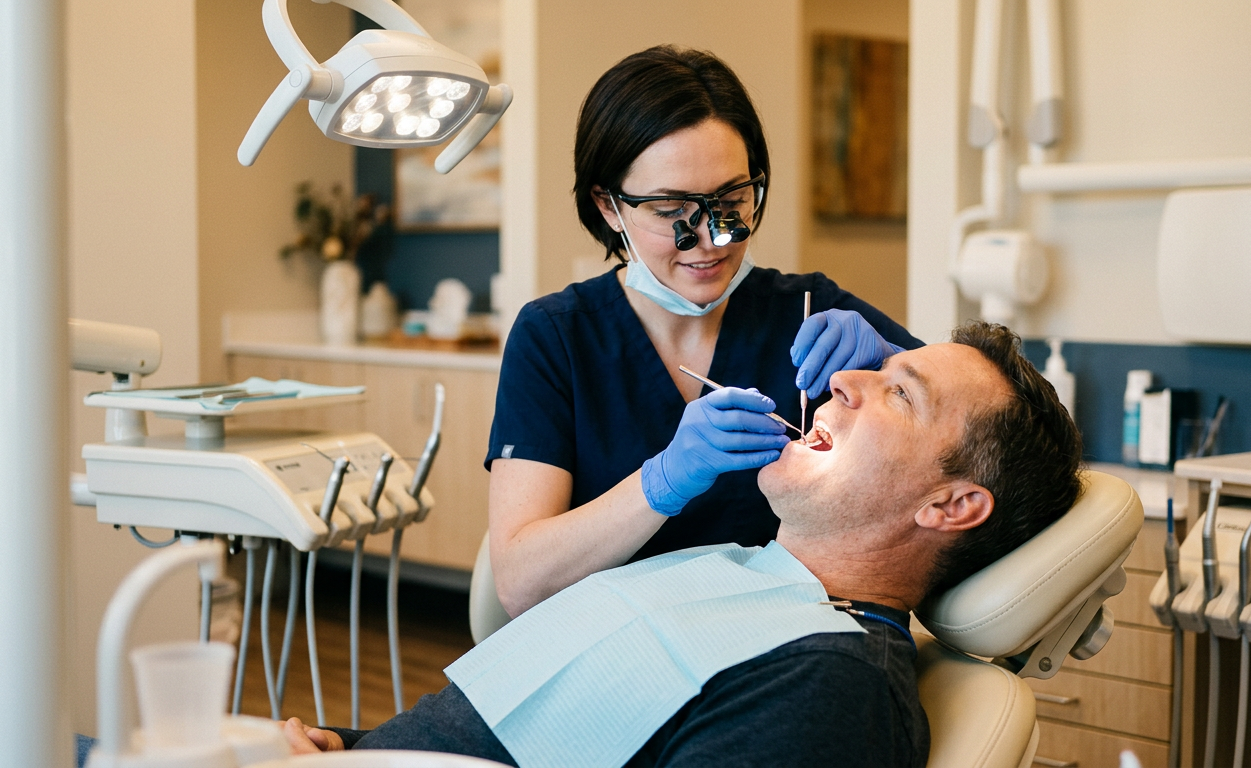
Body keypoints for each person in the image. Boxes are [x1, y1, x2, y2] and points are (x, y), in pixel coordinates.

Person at [282, 322, 1084, 767]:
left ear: (952, 505)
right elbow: (519, 727)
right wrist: (353, 747)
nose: (848, 379)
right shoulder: (738, 571)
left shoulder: (830, 686)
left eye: (897, 389)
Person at [489, 45, 923, 619]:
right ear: (609, 206)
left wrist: (899, 361)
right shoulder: (557, 338)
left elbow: (1003, 427)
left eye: (730, 199)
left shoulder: (810, 310)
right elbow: (520, 583)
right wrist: (662, 482)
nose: (714, 238)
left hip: (781, 645)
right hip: (616, 646)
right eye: (672, 211)